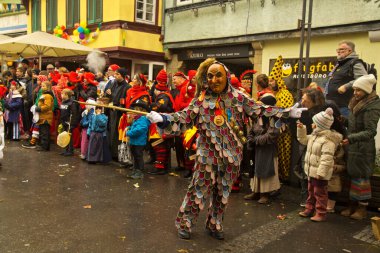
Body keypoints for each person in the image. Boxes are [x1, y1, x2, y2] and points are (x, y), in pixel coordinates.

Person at [146, 58, 306, 240]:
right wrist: (163, 118)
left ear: (227, 77)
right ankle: (185, 223)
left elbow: (260, 110)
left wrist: (286, 113)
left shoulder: (239, 97)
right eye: (210, 76)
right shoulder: (201, 100)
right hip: (207, 155)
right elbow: (184, 117)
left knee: (222, 194)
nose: (214, 80)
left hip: (231, 156)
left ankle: (215, 224)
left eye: (218, 76)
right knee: (198, 191)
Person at [341, 74, 380, 220]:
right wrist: (343, 120)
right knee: (352, 178)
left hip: (363, 149)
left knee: (361, 179)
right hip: (353, 147)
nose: (355, 93)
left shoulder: (372, 107)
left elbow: (370, 131)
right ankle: (351, 205)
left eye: (358, 90)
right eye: (354, 89)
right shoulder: (356, 103)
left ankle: (361, 208)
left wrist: (350, 138)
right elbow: (354, 125)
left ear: (367, 90)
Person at [297, 108, 343, 221]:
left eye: (314, 123)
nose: (312, 124)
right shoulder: (314, 136)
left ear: (319, 125)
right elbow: (303, 140)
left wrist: (321, 173)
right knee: (311, 192)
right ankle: (309, 209)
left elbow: (327, 158)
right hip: (311, 171)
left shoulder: (328, 140)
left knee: (320, 193)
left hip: (319, 173)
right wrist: (301, 129)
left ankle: (321, 213)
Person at [246, 93, 281, 204]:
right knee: (255, 168)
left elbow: (272, 134)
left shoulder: (275, 118)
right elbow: (252, 129)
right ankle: (256, 191)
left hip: (268, 150)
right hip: (257, 148)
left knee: (265, 169)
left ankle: (265, 193)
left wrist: (256, 140)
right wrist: (250, 138)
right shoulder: (260, 115)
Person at [268, 55, 295, 182]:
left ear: (278, 80)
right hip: (276, 130)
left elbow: (285, 113)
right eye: (269, 81)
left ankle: (285, 178)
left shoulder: (284, 94)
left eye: (272, 80)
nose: (270, 83)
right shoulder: (276, 94)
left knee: (284, 155)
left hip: (284, 131)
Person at [325, 40, 367, 118]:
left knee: (345, 129)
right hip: (333, 105)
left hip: (344, 107)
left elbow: (363, 79)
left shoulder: (355, 63)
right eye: (338, 50)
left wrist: (346, 86)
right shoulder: (340, 64)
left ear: (350, 51)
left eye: (342, 49)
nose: (338, 51)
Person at [126, 98, 151, 179]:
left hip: (139, 142)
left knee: (138, 157)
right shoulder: (137, 119)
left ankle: (139, 171)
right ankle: (135, 169)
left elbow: (139, 130)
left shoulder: (143, 119)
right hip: (134, 142)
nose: (134, 111)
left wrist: (129, 133)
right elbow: (134, 127)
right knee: (135, 156)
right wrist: (129, 128)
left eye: (136, 109)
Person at [59, 89, 80, 156]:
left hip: (69, 123)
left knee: (69, 137)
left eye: (62, 94)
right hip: (63, 122)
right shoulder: (63, 102)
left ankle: (70, 150)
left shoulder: (72, 103)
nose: (61, 95)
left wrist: (72, 124)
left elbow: (74, 114)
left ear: (67, 95)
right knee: (65, 136)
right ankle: (66, 149)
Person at [35, 81, 54, 151]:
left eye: (44, 86)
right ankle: (44, 146)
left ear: (48, 87)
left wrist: (39, 108)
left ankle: (44, 147)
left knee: (45, 133)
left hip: (46, 117)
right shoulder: (44, 95)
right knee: (43, 132)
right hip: (42, 116)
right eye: (42, 86)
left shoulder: (48, 96)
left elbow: (47, 106)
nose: (42, 87)